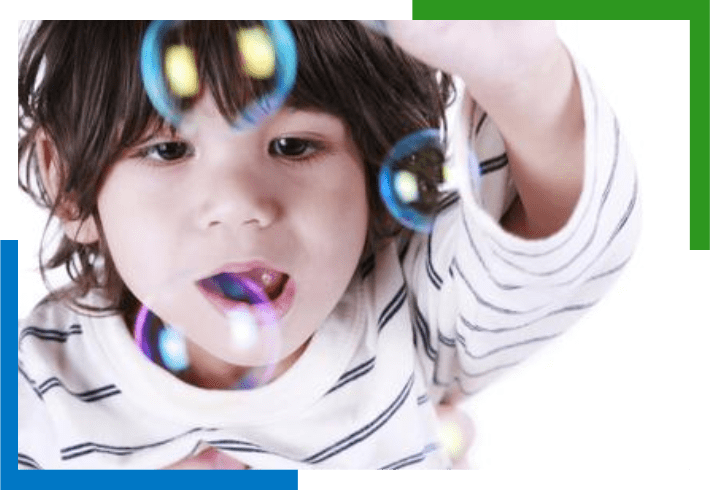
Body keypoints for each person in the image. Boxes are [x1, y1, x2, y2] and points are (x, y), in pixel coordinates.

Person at [17, 20, 640, 469]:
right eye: (168, 149)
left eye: (294, 146)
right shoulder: (34, 394)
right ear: (67, 181)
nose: (241, 204)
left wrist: (526, 78)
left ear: (373, 170)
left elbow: (564, 248)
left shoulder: (410, 313)